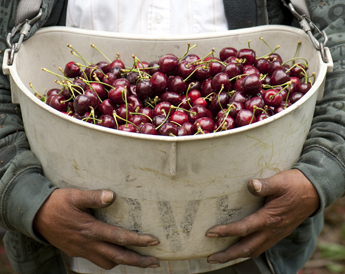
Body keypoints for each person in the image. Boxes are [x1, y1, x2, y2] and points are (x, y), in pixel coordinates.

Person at [0, 0, 344, 273]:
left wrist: (320, 174)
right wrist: (28, 199)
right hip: (70, 255)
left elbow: (339, 45)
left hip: (252, 252)